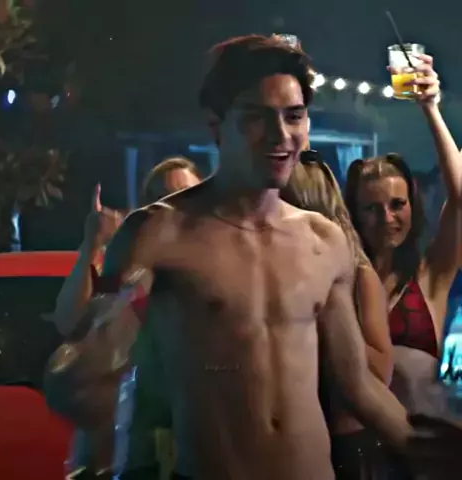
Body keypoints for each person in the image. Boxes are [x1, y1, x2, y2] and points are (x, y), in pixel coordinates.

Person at [48, 35, 413, 480]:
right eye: (257, 117)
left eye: (294, 116)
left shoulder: (324, 240)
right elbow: (89, 363)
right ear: (216, 124)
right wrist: (88, 366)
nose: (281, 135)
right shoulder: (159, 235)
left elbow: (358, 386)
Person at [344, 54, 461, 477]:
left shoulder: (430, 276)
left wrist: (430, 109)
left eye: (397, 204)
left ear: (413, 205)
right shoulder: (342, 281)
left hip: (426, 454)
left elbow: (461, 195)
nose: (387, 218)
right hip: (360, 457)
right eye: (372, 208)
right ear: (354, 213)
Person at [49, 157, 202, 480]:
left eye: (185, 196)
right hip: (124, 442)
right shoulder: (128, 265)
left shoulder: (212, 267)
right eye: (162, 198)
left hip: (190, 436)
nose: (173, 208)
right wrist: (91, 245)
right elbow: (68, 320)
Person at [281, 152, 393, 479]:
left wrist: (328, 320)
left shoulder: (359, 276)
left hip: (347, 445)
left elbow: (380, 371)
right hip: (294, 446)